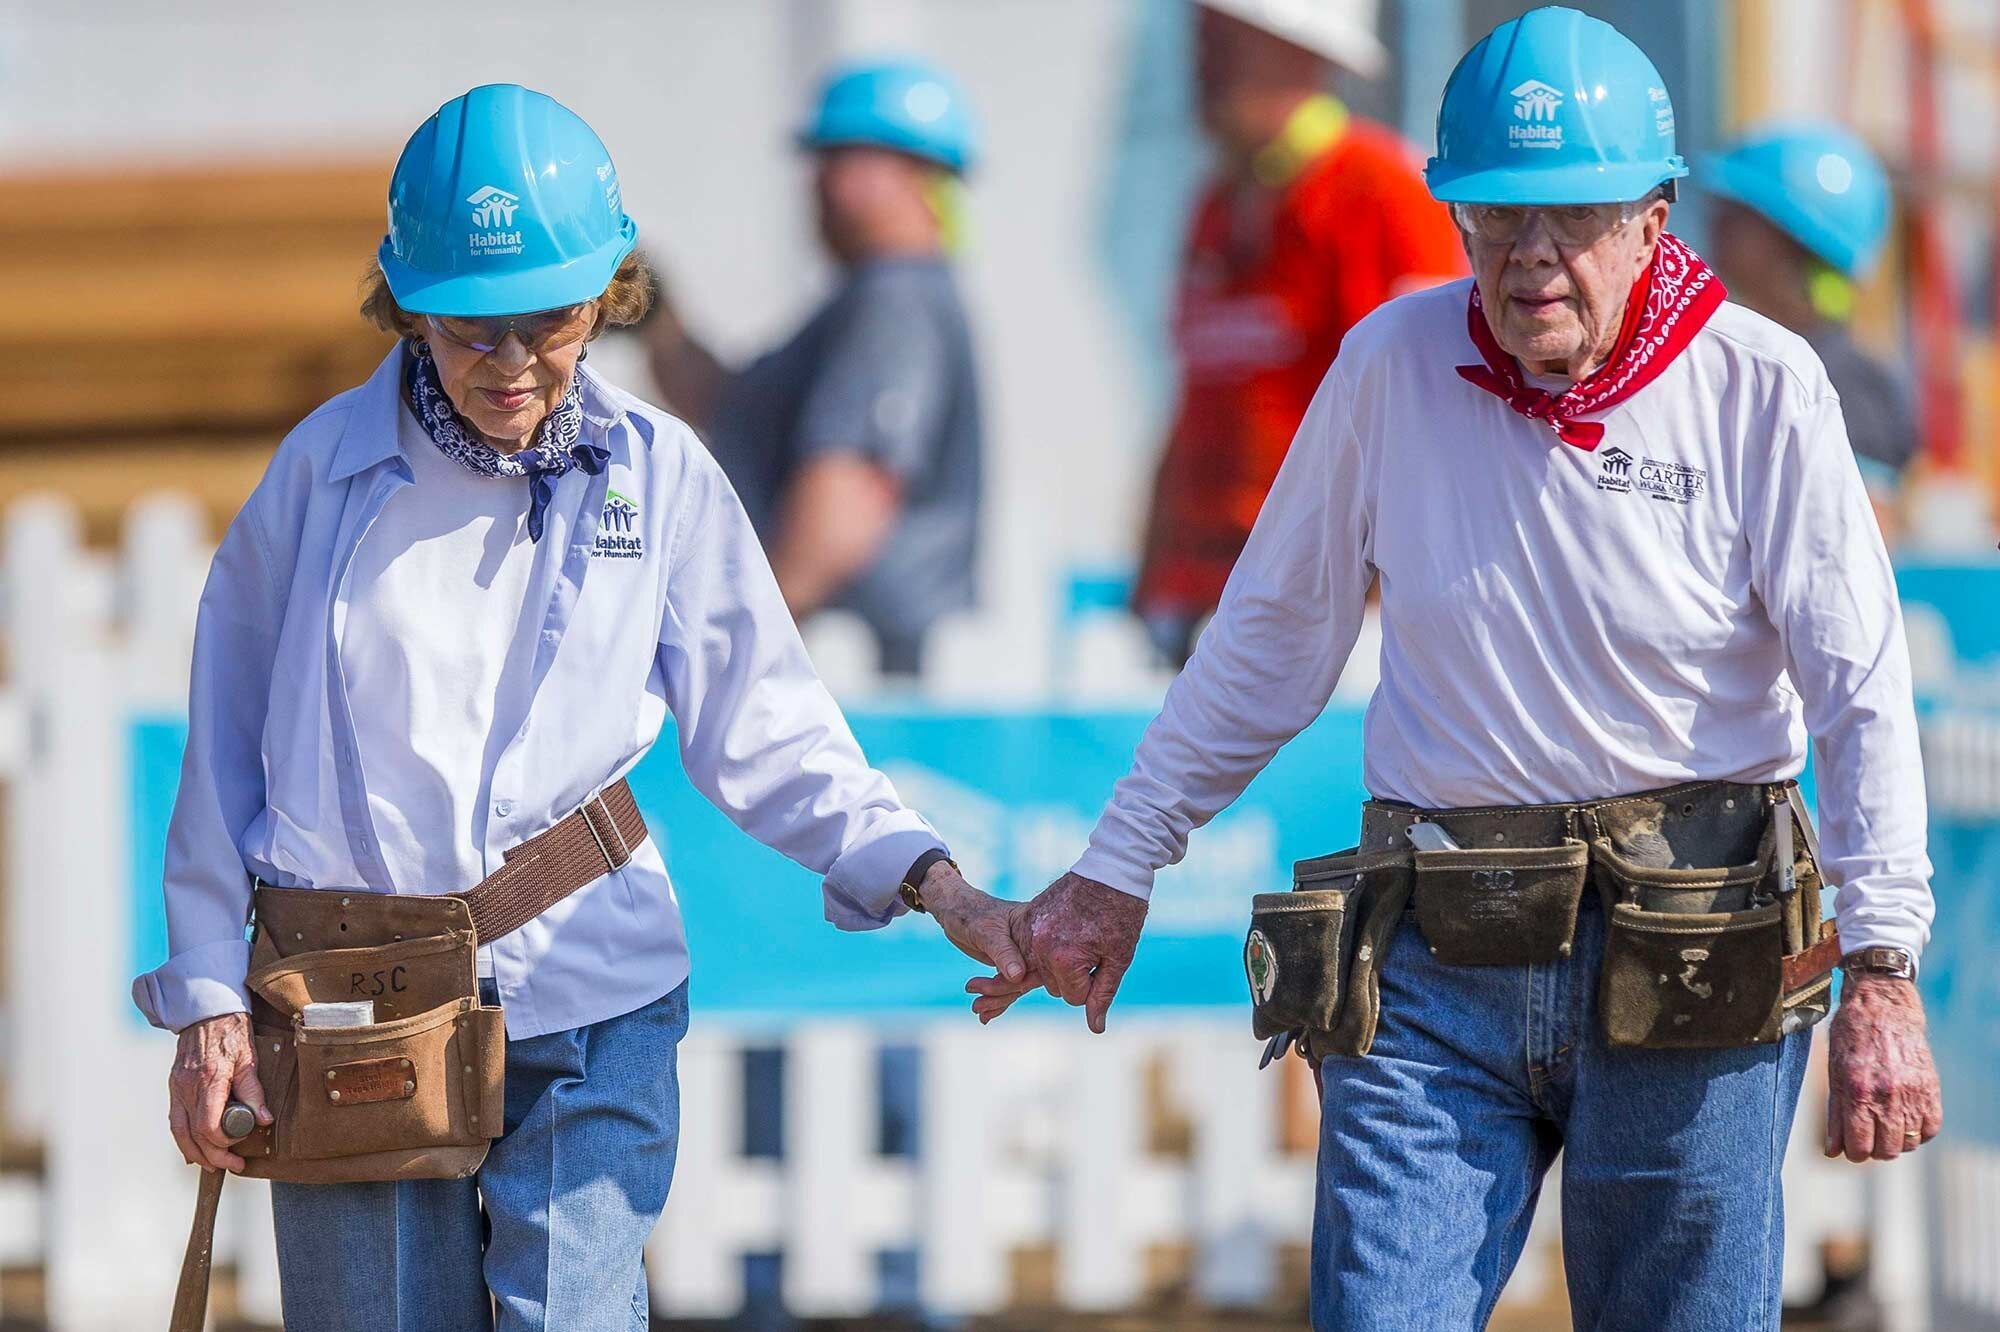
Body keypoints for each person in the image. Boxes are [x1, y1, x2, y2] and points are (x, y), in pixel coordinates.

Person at [971, 9, 1942, 1330]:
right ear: (1457, 217)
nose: (1533, 253)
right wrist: (1115, 867)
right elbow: (1269, 640)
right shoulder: (1391, 364)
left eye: (1575, 215)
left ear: (1656, 220)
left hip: (1693, 948)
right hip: (1437, 957)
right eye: (1497, 215)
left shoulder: (1760, 387)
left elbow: (1860, 695)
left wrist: (1881, 971)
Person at [134, 84, 1024, 1331]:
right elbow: (223, 755)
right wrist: (209, 1000)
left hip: (592, 995)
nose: (510, 365)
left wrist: (935, 882)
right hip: (350, 1001)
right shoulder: (317, 482)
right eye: (467, 330)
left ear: (607, 298)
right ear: (407, 309)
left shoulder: (661, 478)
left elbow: (765, 724)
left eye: (549, 323)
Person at [1133, 0, 1464, 665]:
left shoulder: (1382, 192)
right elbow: (1196, 403)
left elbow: (1429, 415)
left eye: (1226, 40)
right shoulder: (1216, 205)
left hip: (1328, 626)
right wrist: (1150, 583)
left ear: (1303, 53)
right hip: (1204, 609)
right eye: (1204, 38)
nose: (1201, 63)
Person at [647, 58, 981, 676]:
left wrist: (744, 643)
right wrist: (656, 319)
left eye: (834, 161)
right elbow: (726, 405)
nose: (819, 186)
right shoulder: (864, 303)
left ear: (904, 170)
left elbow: (850, 489)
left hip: (859, 676)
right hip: (841, 666)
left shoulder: (896, 303)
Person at [1708, 124, 1917, 538]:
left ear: (1792, 242)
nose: (1716, 226)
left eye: (1737, 214)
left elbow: (1849, 542)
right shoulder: (1730, 357)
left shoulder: (1853, 390)